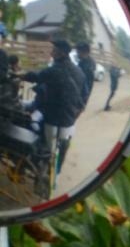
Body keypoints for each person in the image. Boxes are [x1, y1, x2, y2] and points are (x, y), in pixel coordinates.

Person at [21, 40, 84, 178]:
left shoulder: (55, 70)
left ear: (61, 53)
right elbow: (82, 96)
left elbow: (36, 77)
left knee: (45, 147)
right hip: (69, 121)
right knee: (62, 149)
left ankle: (41, 172)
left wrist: (20, 75)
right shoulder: (79, 72)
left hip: (53, 118)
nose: (51, 52)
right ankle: (56, 174)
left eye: (54, 50)